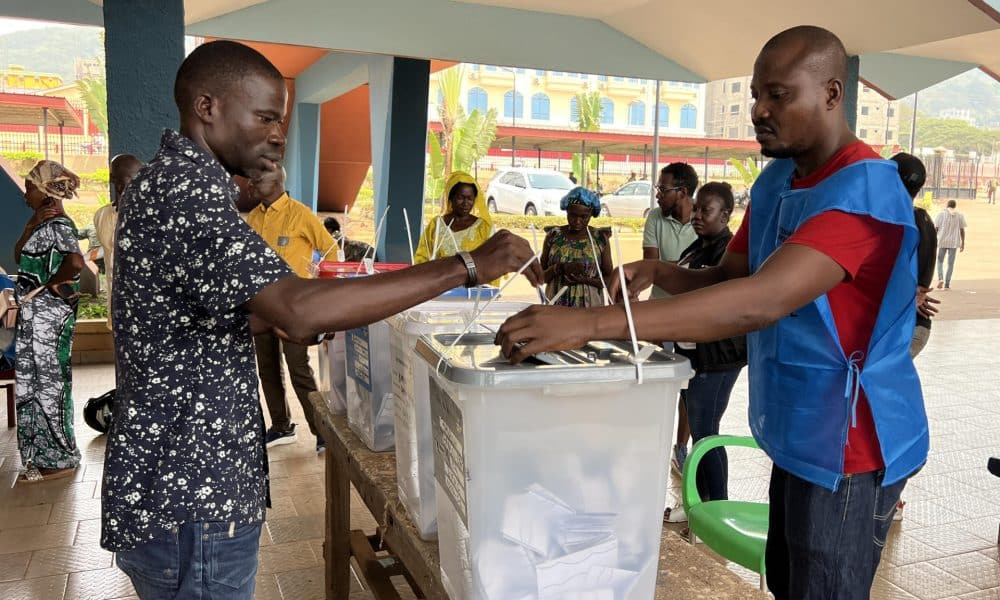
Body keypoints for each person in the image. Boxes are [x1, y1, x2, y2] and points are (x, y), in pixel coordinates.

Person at [498, 25, 927, 599]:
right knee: (792, 583)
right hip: (801, 430)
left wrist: (590, 323)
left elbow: (761, 301)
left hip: (852, 446)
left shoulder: (865, 195)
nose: (757, 110)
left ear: (831, 94)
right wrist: (659, 273)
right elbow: (731, 277)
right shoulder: (779, 181)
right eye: (755, 94)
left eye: (778, 95)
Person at [101, 40, 540, 600]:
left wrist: (297, 308)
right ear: (206, 107)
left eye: (280, 121)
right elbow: (296, 309)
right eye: (264, 117)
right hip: (193, 495)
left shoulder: (167, 185)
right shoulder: (186, 195)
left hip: (178, 484)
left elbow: (213, 317)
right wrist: (467, 265)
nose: (279, 135)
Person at [663, 182, 747, 526]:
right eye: (695, 209)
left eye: (705, 211)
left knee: (706, 431)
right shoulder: (703, 245)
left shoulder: (727, 253)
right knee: (701, 429)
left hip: (719, 357)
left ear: (726, 215)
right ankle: (701, 500)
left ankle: (715, 506)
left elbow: (710, 303)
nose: (696, 216)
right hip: (697, 355)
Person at [245, 166, 333, 450]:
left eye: (257, 178)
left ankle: (321, 432)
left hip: (294, 306)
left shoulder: (300, 214)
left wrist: (317, 277)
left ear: (276, 181)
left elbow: (331, 250)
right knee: (267, 369)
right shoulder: (254, 216)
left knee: (299, 368)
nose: (252, 183)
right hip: (260, 304)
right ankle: (281, 426)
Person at [12, 160, 85, 483]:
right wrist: (30, 224)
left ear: (44, 191)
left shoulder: (58, 225)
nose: (25, 194)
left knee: (49, 387)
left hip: (47, 321)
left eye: (29, 187)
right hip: (36, 318)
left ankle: (58, 459)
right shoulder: (41, 222)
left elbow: (76, 263)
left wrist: (51, 286)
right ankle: (45, 456)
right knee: (37, 384)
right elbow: (19, 256)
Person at [889, 152, 939, 522]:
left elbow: (918, 287)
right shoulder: (890, 218)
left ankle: (891, 492)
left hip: (905, 328)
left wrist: (913, 296)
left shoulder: (914, 221)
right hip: (897, 326)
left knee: (883, 405)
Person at [642, 161, 698, 473]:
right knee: (656, 382)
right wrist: (682, 271)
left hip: (692, 320)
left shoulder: (704, 219)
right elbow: (652, 269)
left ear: (684, 192)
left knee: (688, 389)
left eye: (663, 189)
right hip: (659, 316)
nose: (659, 195)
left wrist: (669, 269)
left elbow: (708, 270)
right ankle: (652, 441)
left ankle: (680, 447)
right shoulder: (655, 217)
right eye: (658, 189)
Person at [540, 187, 612, 308]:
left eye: (584, 217)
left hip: (589, 310)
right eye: (572, 215)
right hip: (556, 305)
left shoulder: (599, 239)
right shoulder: (553, 236)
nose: (577, 221)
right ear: (567, 211)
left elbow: (608, 280)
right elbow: (541, 277)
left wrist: (584, 280)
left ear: (591, 214)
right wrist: (560, 268)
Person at [94, 154, 144, 328]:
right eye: (120, 182)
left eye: (131, 182)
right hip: (116, 307)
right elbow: (110, 252)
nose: (124, 188)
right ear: (112, 180)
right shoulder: (102, 216)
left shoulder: (152, 217)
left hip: (145, 309)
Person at [414, 171, 493, 263]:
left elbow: (492, 263)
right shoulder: (436, 225)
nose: (465, 203)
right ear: (450, 197)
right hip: (439, 277)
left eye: (470, 199)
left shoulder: (484, 229)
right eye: (460, 198)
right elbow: (421, 258)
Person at [934, 199, 966, 290]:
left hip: (942, 241)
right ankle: (947, 285)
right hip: (954, 243)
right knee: (950, 264)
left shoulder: (941, 214)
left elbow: (935, 229)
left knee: (940, 261)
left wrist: (933, 241)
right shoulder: (959, 215)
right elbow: (962, 230)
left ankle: (940, 278)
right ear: (955, 206)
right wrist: (962, 243)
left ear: (947, 205)